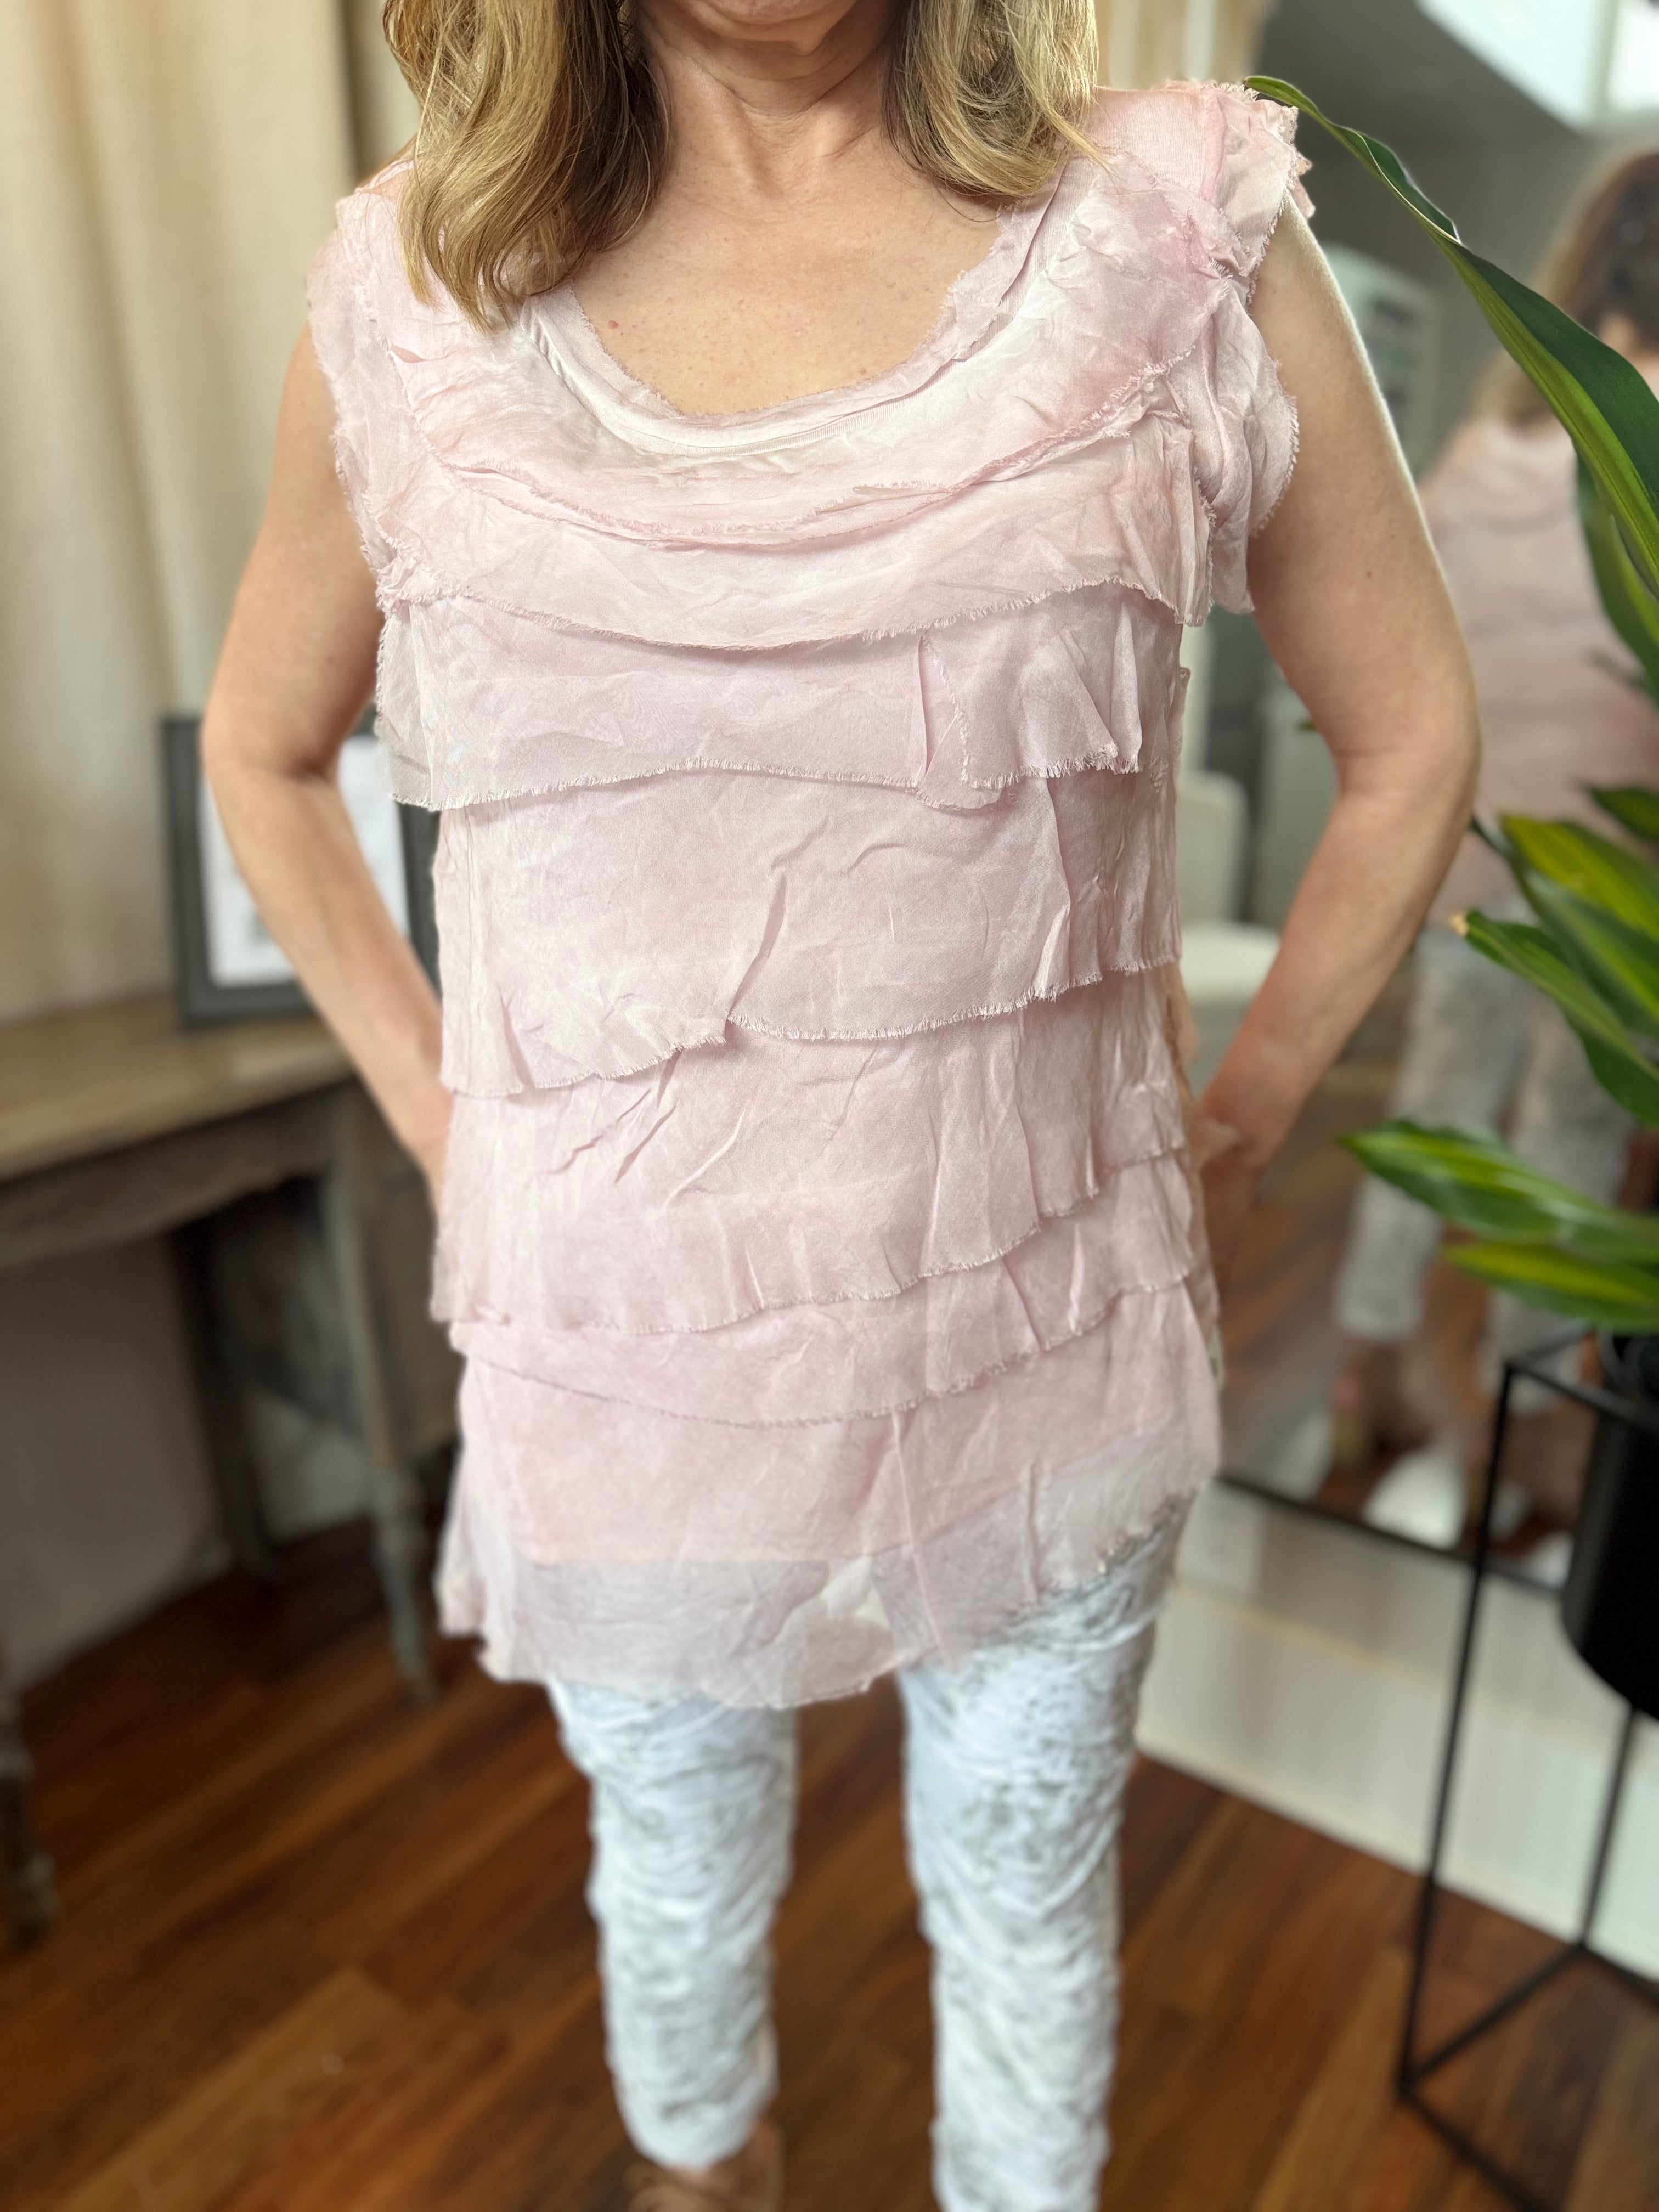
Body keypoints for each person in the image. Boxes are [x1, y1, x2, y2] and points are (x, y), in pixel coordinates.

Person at [202, 0, 1477, 2203]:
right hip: (619, 1369)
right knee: (672, 1885)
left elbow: (1416, 736)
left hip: (1045, 1344)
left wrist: (1245, 1113)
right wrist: (438, 1114)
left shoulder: (1178, 227)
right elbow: (261, 746)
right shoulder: (410, 290)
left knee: (1029, 1920)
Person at [1331, 153, 1659, 1533]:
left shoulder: (1487, 445)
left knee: (1439, 1120)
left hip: (1467, 852)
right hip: (1608, 884)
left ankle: (1365, 1383)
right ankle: (1519, 1434)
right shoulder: (1645, 440)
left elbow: (1413, 651)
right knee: (1565, 1143)